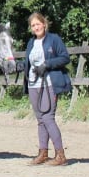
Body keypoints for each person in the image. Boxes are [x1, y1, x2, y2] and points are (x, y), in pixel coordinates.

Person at [17, 12, 71, 166]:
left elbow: (64, 57)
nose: (36, 27)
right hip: (34, 84)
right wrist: (20, 65)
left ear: (44, 24)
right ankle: (43, 153)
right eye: (33, 25)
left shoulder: (54, 39)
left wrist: (47, 65)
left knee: (48, 117)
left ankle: (60, 155)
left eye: (38, 24)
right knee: (40, 120)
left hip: (49, 83)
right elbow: (29, 61)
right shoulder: (31, 43)